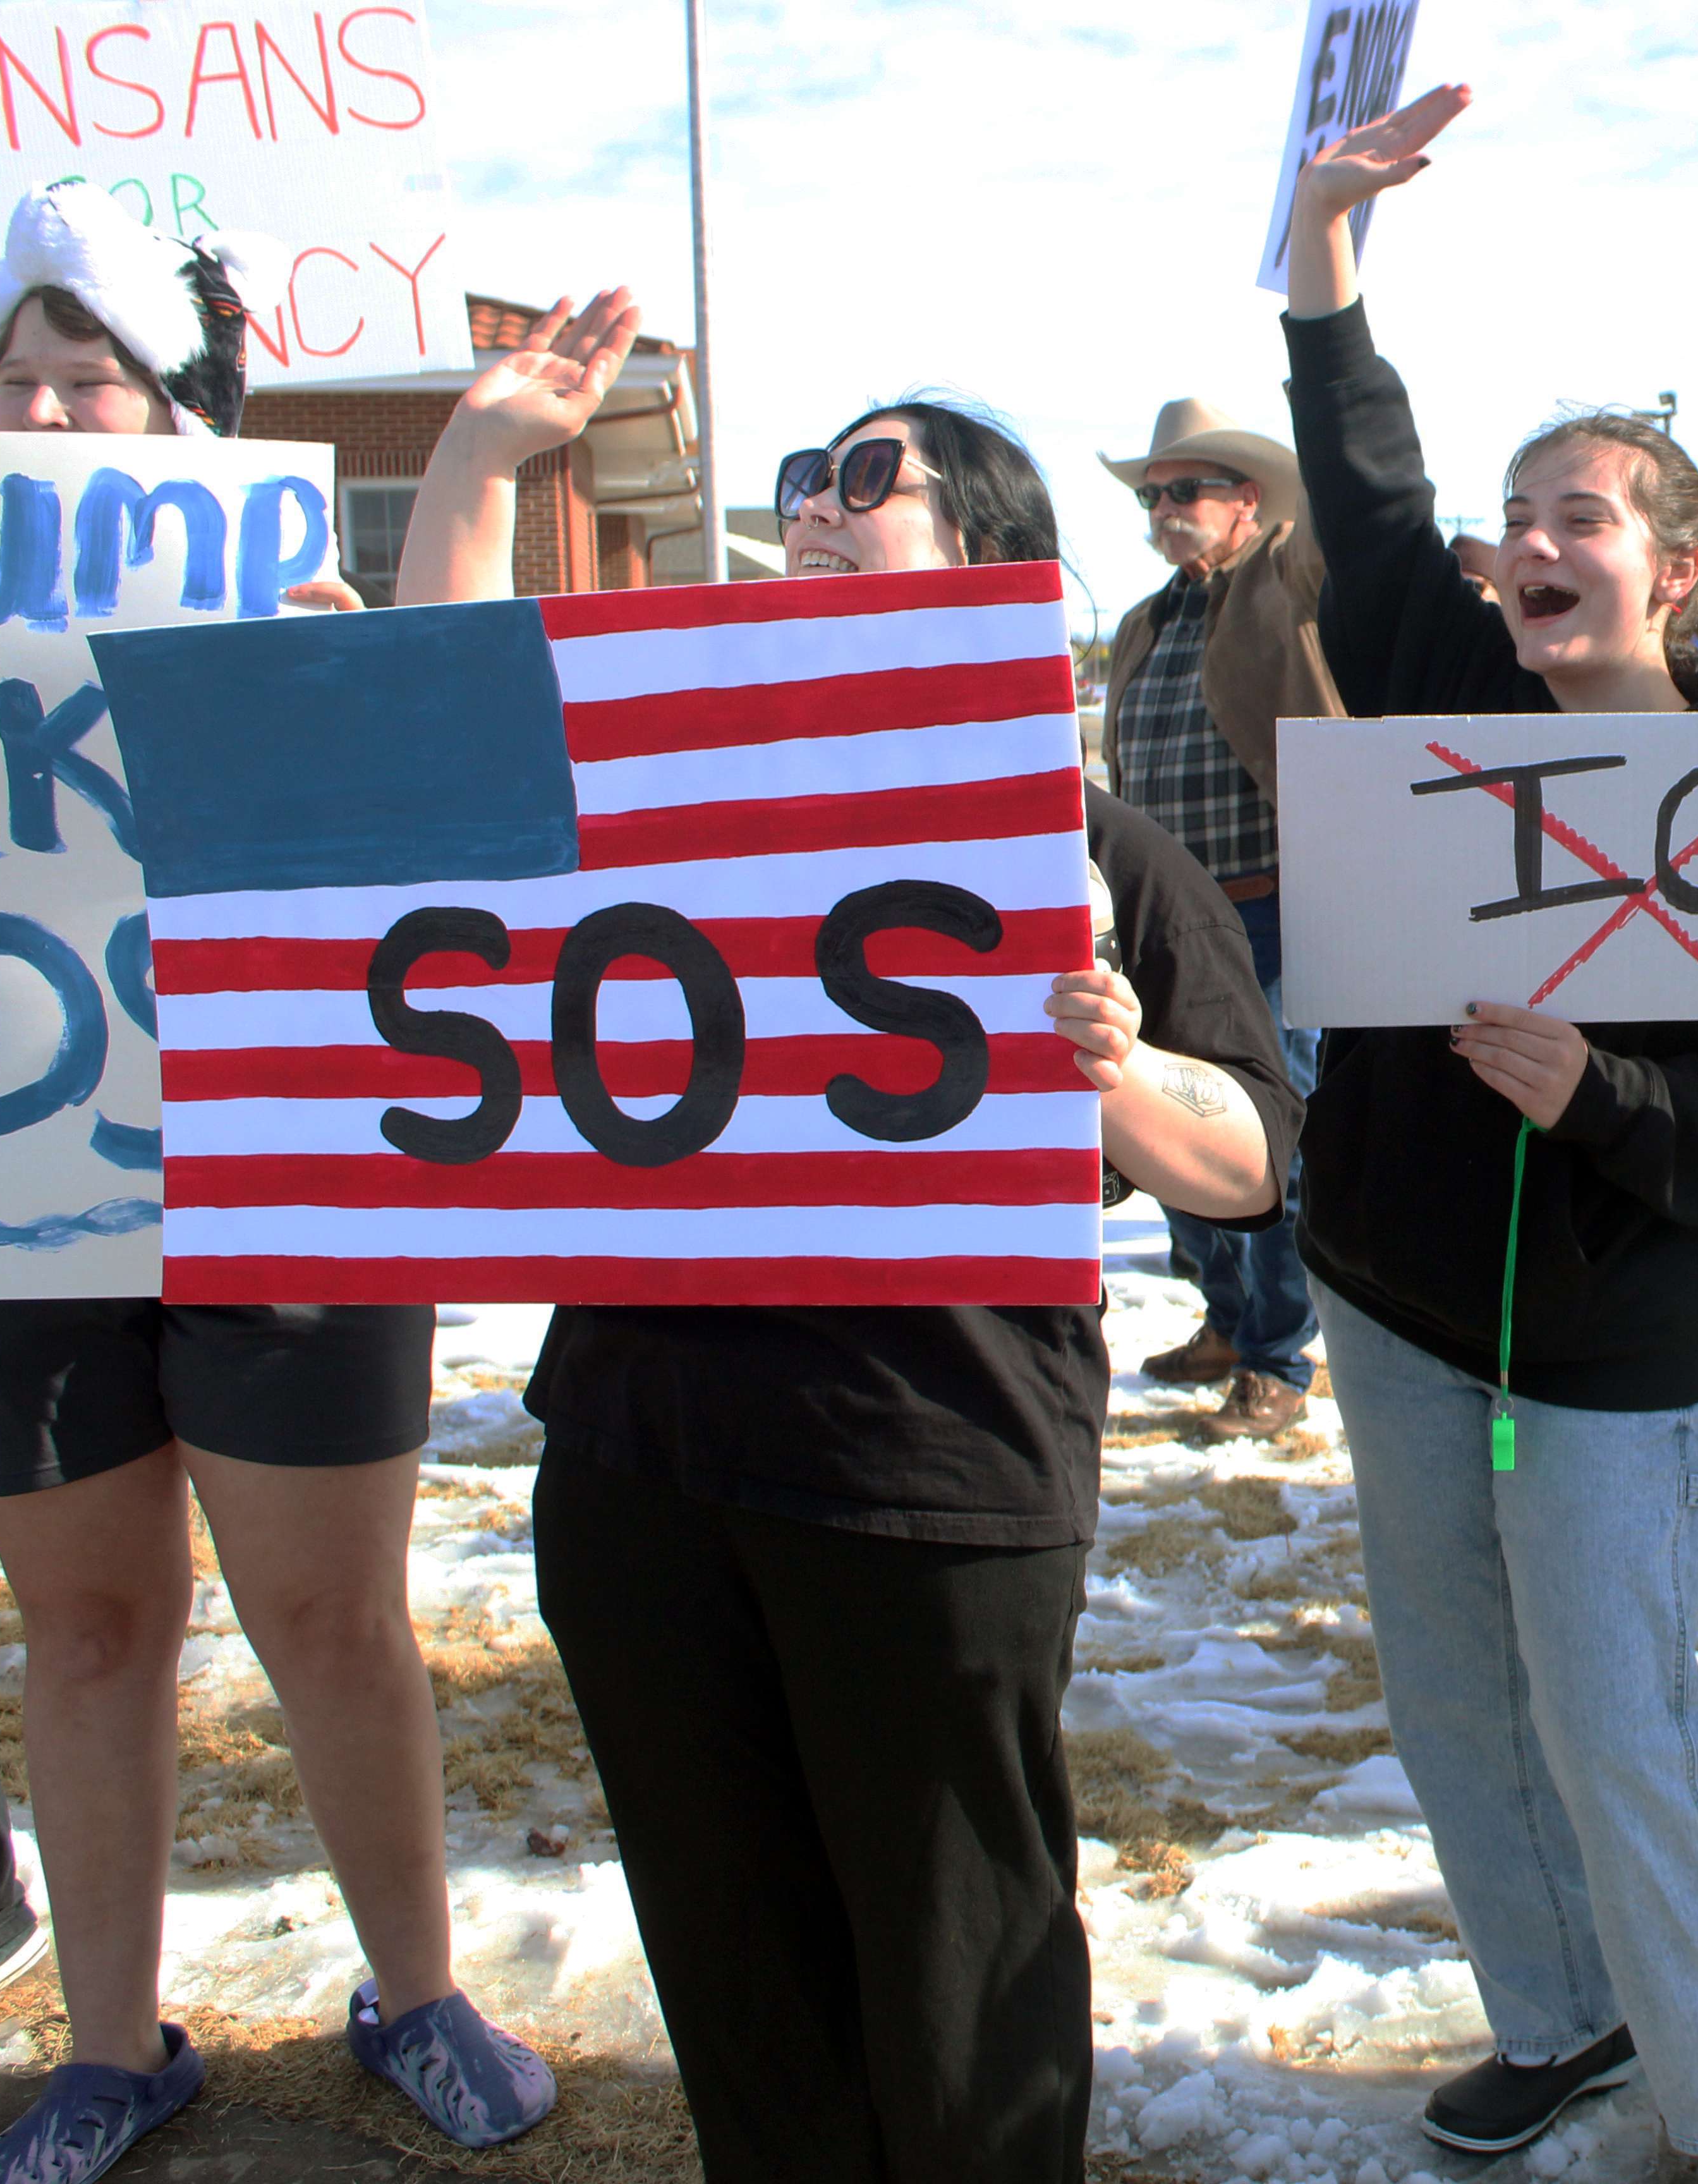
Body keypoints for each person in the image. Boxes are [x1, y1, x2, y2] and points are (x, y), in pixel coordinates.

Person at [394, 298, 1304, 2182]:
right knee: (743, 1991)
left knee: (964, 1998)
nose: (814, 502)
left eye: (869, 477)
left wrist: (1117, 1076)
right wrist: (484, 460)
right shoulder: (660, 791)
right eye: (806, 474)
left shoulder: (1089, 843)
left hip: (932, 1475)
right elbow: (438, 748)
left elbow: (1248, 1165)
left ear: (986, 558)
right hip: (646, 1467)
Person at [1279, 88, 1698, 2184]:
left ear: (1678, 565)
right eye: (1520, 512)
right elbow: (1362, 487)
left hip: (1609, 1356)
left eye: (1585, 515)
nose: (1535, 541)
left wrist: (1594, 1092)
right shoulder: (1452, 685)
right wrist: (1327, 256)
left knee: (1622, 1724)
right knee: (1451, 1699)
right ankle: (1562, 2013)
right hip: (1398, 1303)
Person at [0, 183, 552, 2184]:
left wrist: (384, 615)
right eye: (10, 384)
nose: (38, 422)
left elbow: (460, 832)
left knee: (332, 1618)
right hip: (22, 1192)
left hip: (287, 1172)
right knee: (90, 1634)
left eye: (84, 382)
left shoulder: (283, 589)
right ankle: (109, 2050)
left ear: (177, 402)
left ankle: (419, 1991)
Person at [1098, 401, 1341, 1441]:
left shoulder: (1286, 584)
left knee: (1268, 1143)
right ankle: (1228, 1320)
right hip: (1166, 932)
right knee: (1167, 1131)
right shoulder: (1145, 623)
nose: (1162, 510)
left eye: (1184, 491)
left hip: (1273, 910)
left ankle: (1277, 1359)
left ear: (1246, 502)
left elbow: (1336, 540)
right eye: (1152, 495)